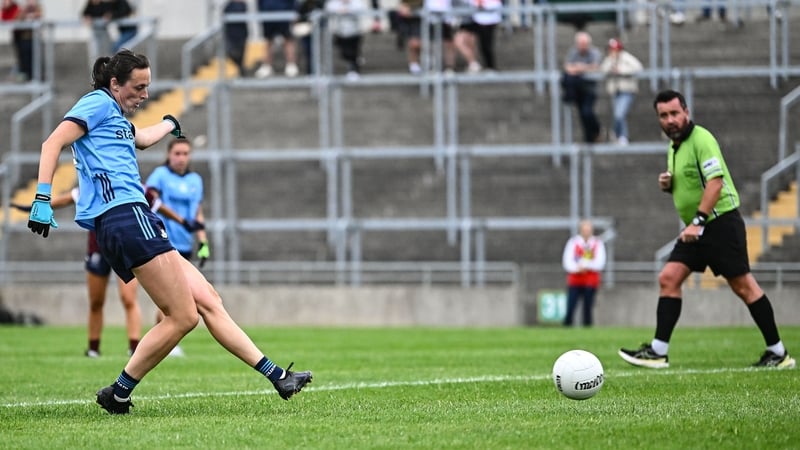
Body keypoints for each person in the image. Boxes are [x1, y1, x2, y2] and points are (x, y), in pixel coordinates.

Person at [26, 49, 312, 414]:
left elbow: (142, 138)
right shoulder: (96, 103)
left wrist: (168, 122)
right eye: (138, 87)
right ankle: (119, 392)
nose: (143, 94)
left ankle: (278, 378)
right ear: (114, 84)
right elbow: (52, 143)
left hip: (130, 220)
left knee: (207, 298)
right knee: (183, 317)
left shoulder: (115, 116)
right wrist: (42, 197)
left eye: (148, 87)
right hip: (126, 217)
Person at [618, 90, 796, 370]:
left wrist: (698, 222)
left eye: (674, 113)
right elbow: (691, 184)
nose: (670, 120)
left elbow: (716, 183)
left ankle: (778, 353)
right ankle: (658, 351)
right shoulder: (674, 146)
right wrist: (669, 185)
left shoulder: (702, 139)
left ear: (686, 112)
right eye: (663, 115)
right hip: (697, 228)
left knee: (744, 286)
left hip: (719, 224)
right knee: (669, 278)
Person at [14, 184, 197, 357]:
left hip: (125, 247)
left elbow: (159, 205)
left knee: (128, 299)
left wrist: (182, 221)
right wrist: (38, 205)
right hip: (99, 247)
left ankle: (134, 347)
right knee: (96, 301)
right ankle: (93, 349)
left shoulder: (132, 184)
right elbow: (67, 199)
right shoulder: (92, 181)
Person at [145, 137, 209, 357]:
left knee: (177, 297)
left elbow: (197, 212)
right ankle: (164, 343)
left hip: (184, 244)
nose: (181, 158)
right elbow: (150, 198)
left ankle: (161, 342)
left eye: (185, 154)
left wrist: (203, 241)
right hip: (164, 243)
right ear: (168, 155)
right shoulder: (160, 176)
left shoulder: (195, 180)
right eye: (177, 154)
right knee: (172, 297)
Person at [561, 219, 606, 327]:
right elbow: (567, 261)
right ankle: (567, 326)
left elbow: (600, 262)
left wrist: (587, 266)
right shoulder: (573, 242)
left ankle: (587, 328)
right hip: (575, 280)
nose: (586, 232)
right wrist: (578, 268)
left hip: (590, 281)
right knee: (571, 306)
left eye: (588, 229)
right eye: (584, 229)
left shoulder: (597, 243)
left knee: (588, 307)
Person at [599, 38, 643, 146]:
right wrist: (610, 65)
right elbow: (602, 70)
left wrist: (621, 72)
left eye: (614, 49)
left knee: (619, 114)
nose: (612, 51)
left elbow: (639, 68)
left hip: (627, 90)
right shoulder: (609, 60)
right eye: (611, 49)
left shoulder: (627, 58)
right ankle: (616, 134)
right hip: (615, 91)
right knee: (617, 114)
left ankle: (622, 135)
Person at [562, 31, 601, 144]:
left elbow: (596, 67)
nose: (583, 47)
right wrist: (584, 69)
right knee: (582, 115)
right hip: (577, 89)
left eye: (585, 44)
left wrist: (579, 68)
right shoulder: (573, 52)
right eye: (581, 44)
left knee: (587, 112)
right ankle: (589, 138)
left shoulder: (594, 52)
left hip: (590, 89)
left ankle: (597, 130)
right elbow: (567, 68)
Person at [255, 0, 300, 78]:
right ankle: (266, 66)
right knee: (268, 40)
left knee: (288, 39)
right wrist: (260, 12)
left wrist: (295, 11)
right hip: (267, 14)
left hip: (285, 13)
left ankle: (291, 65)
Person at [454, 0, 502, 73]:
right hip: (474, 17)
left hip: (486, 18)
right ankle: (474, 64)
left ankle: (490, 67)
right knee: (461, 39)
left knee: (485, 44)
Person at [326, 0, 367, 79]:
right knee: (344, 53)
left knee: (353, 52)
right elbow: (329, 8)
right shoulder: (334, 3)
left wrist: (349, 11)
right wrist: (339, 11)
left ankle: (354, 70)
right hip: (341, 33)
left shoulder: (356, 3)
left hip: (354, 33)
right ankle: (354, 65)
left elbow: (361, 9)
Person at [223, 0, 249, 77]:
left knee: (240, 54)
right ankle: (241, 68)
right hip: (230, 33)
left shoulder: (242, 5)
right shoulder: (229, 5)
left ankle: (241, 70)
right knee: (229, 52)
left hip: (240, 34)